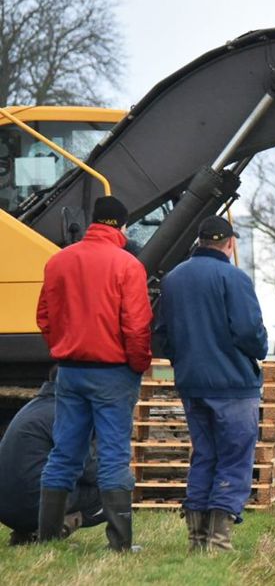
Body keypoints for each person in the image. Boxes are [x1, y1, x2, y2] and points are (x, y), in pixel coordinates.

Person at [35, 195, 152, 552]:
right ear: (122, 225)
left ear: (94, 223)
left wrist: (66, 346)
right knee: (114, 454)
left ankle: (48, 536)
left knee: (64, 452)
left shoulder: (58, 262)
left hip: (70, 372)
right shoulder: (128, 265)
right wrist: (138, 364)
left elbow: (44, 317)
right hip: (113, 372)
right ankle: (120, 543)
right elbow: (136, 326)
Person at [154, 215, 267, 552]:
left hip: (192, 384)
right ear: (230, 244)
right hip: (233, 385)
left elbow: (160, 336)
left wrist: (183, 361)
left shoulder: (173, 279)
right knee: (234, 458)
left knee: (204, 456)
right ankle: (220, 540)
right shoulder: (234, 278)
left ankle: (196, 540)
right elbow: (249, 332)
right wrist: (259, 349)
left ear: (199, 241)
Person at [0, 371, 105, 545]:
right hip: (34, 507)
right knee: (113, 488)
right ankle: (53, 531)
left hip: (5, 510)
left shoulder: (32, 408)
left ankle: (24, 534)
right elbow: (88, 470)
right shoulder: (67, 414)